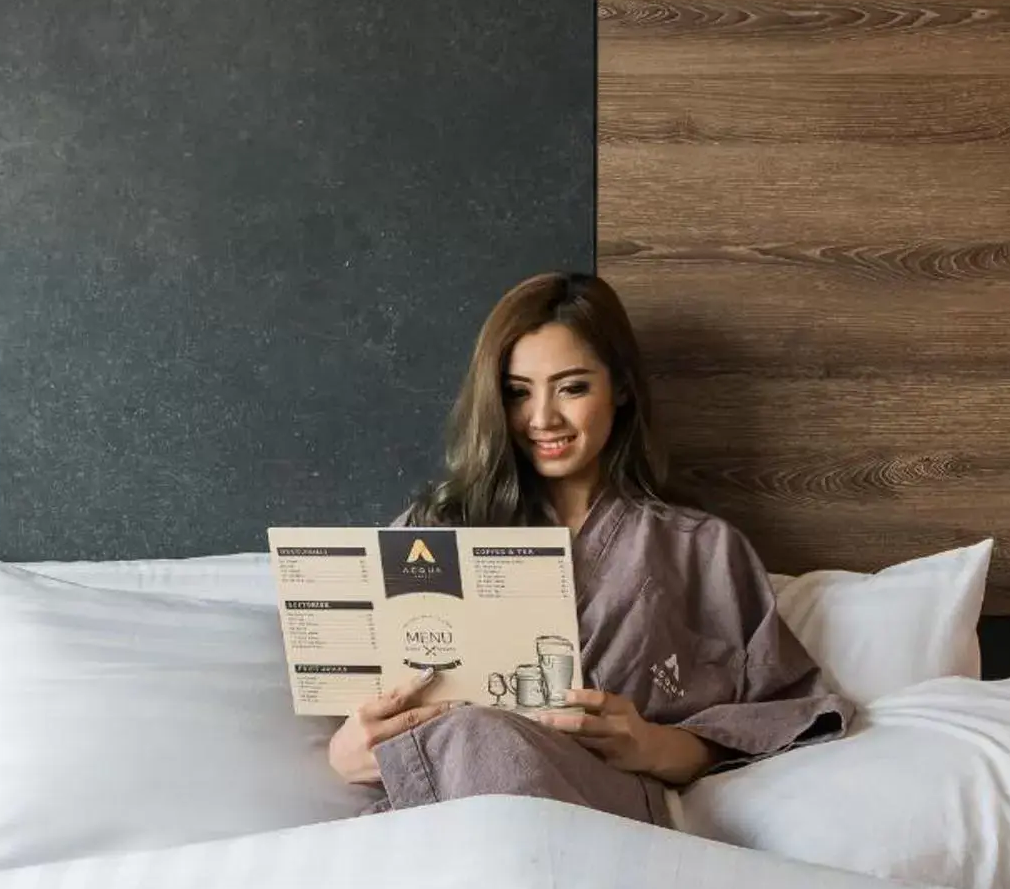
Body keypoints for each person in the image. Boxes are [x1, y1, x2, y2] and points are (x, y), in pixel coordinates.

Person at [326, 272, 852, 824]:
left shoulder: (703, 552)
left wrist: (654, 745)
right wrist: (346, 754)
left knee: (481, 735)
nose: (542, 419)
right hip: (432, 812)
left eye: (572, 387)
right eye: (517, 392)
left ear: (620, 388)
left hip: (604, 810)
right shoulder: (430, 531)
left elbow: (786, 710)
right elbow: (357, 697)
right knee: (469, 735)